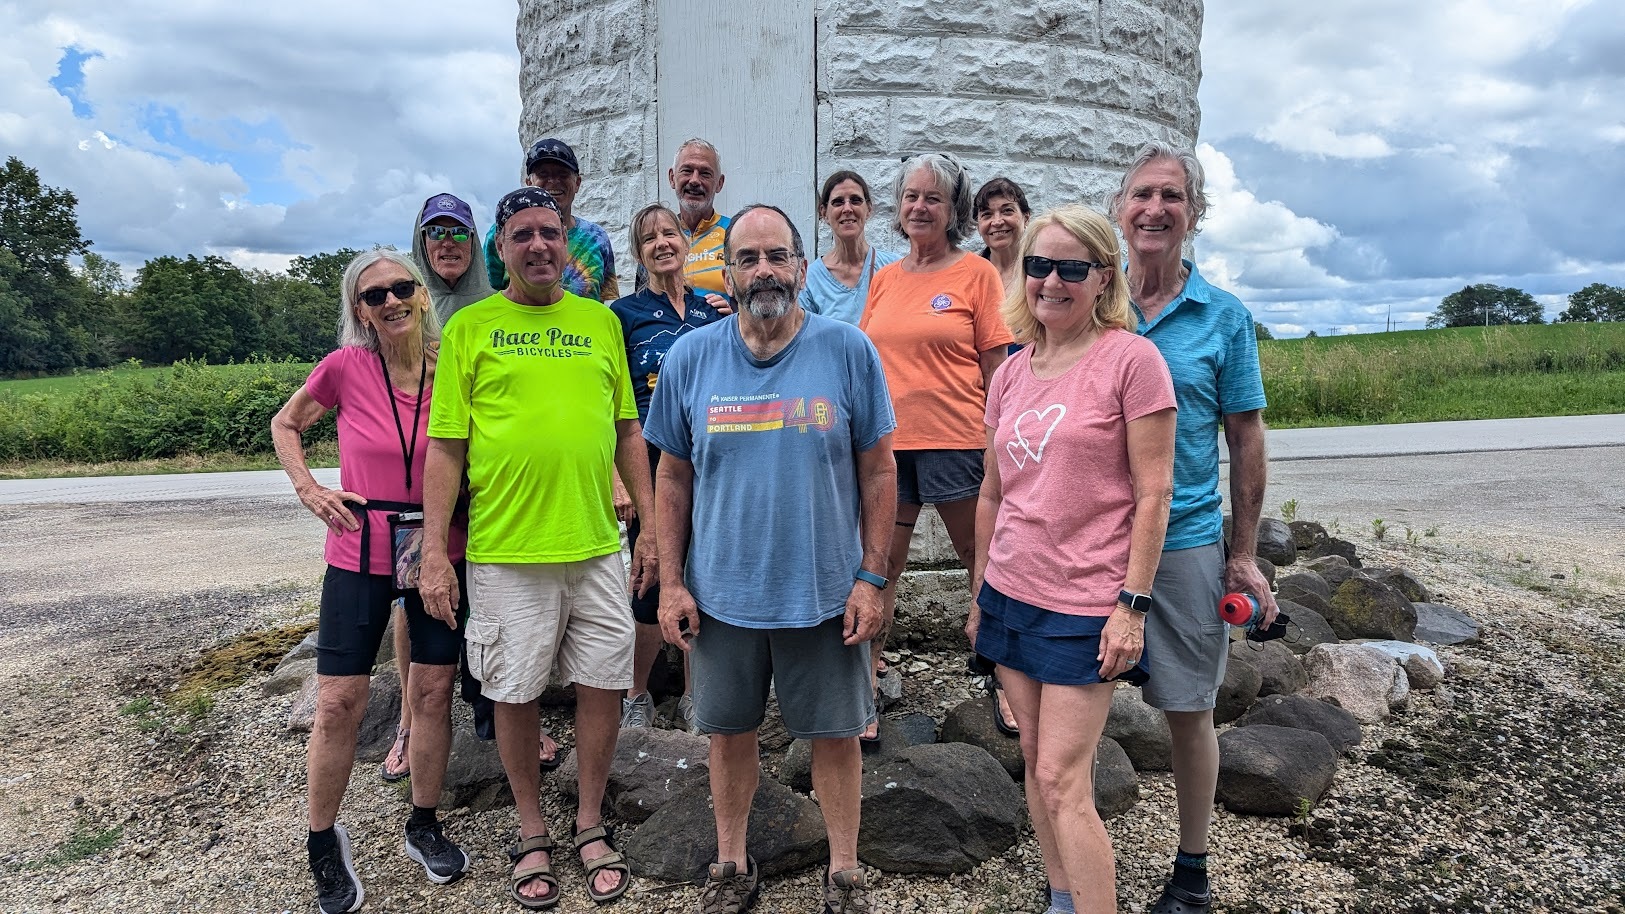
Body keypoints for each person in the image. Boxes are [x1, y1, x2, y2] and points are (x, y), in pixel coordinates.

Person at [644, 204, 896, 914]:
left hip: (825, 593)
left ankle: (844, 874)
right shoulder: (691, 358)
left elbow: (880, 471)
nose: (764, 271)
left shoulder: (847, 350)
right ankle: (730, 864)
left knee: (836, 738)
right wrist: (671, 584)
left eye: (777, 256)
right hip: (721, 596)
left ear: (801, 267)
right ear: (726, 274)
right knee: (728, 735)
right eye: (748, 258)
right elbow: (672, 476)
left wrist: (872, 578)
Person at [421, 187, 657, 908]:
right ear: (501, 248)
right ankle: (531, 828)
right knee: (513, 691)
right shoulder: (471, 328)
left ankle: (588, 820)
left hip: (596, 545)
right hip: (505, 551)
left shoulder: (599, 322)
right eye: (521, 234)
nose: (538, 246)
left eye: (549, 232)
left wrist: (649, 529)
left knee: (603, 685)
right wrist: (433, 552)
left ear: (566, 241)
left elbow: (626, 430)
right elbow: (446, 447)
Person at [967, 205, 1177, 914]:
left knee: (1063, 779)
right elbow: (993, 492)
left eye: (1070, 268)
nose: (1050, 281)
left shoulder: (1131, 361)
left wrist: (1132, 607)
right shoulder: (1010, 373)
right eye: (1037, 265)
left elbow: (1154, 492)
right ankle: (1063, 898)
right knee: (1035, 761)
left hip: (1086, 604)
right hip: (1010, 593)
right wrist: (979, 593)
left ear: (1102, 277)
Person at [271, 250, 473, 913]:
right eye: (373, 295)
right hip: (359, 544)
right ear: (359, 310)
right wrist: (309, 488)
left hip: (436, 544)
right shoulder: (344, 367)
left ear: (422, 294)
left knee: (434, 690)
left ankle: (424, 823)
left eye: (400, 287)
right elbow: (286, 423)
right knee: (337, 701)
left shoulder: (454, 366)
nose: (390, 301)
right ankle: (322, 842)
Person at [1109, 141, 1277, 914]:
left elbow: (1245, 437)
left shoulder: (1222, 317)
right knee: (1071, 702)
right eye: (1141, 195)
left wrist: (1240, 555)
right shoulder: (1089, 301)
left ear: (1194, 213)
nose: (1154, 209)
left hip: (1181, 540)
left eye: (1171, 196)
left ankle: (1191, 869)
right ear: (1118, 211)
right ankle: (1076, 857)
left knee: (1187, 708)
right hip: (1091, 543)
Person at [859, 152, 1014, 741]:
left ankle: (1004, 676)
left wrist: (999, 446)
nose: (919, 207)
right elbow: (867, 362)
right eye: (911, 196)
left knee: (983, 558)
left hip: (958, 441)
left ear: (953, 211)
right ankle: (864, 681)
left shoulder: (976, 275)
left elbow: (998, 370)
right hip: (888, 449)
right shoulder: (884, 278)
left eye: (933, 198)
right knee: (880, 563)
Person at [609, 202, 727, 730]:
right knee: (652, 575)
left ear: (685, 242)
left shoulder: (713, 310)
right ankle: (636, 694)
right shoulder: (623, 315)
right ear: (639, 254)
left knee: (704, 574)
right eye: (649, 238)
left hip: (711, 460)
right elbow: (612, 403)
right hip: (652, 459)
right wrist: (619, 477)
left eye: (669, 233)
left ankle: (696, 695)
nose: (662, 243)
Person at [483, 138, 621, 302]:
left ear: (577, 183)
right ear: (529, 183)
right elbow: (489, 296)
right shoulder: (503, 235)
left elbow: (609, 298)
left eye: (563, 174)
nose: (553, 181)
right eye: (543, 174)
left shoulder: (596, 237)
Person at [799, 170, 901, 324]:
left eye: (855, 200)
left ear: (869, 209)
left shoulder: (894, 268)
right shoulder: (810, 281)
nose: (847, 209)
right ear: (824, 212)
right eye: (838, 202)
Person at [664, 138, 731, 300]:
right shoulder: (656, 238)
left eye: (705, 173)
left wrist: (732, 310)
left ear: (719, 183)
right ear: (672, 178)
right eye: (687, 171)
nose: (694, 180)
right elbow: (642, 299)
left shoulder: (735, 233)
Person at [412, 192, 494, 323]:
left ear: (473, 241)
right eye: (436, 231)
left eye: (460, 232)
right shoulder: (405, 308)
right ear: (422, 241)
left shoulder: (499, 306)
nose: (448, 243)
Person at [974, 177, 1032, 295]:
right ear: (977, 226)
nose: (997, 222)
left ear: (1026, 218)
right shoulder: (969, 273)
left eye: (1007, 211)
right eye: (987, 214)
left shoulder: (1041, 271)